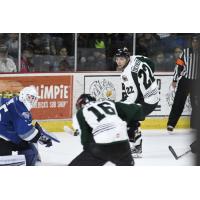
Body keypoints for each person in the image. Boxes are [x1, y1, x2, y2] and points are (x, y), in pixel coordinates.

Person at [68, 94, 145, 166]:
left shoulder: (81, 113)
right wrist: (133, 124)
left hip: (101, 145)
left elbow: (85, 139)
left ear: (81, 104)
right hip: (123, 142)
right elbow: (136, 109)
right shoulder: (109, 103)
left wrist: (88, 153)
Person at [114, 47, 159, 157]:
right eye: (117, 59)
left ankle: (136, 148)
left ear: (127, 58)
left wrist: (119, 105)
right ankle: (133, 145)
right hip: (152, 94)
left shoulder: (126, 74)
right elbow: (151, 63)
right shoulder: (136, 57)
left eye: (122, 59)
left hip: (148, 101)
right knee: (130, 116)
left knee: (129, 116)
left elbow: (132, 97)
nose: (118, 62)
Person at [0, 86, 52, 166]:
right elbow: (25, 134)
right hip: (3, 139)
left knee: (28, 148)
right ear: (23, 95)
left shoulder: (15, 101)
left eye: (33, 98)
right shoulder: (21, 110)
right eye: (30, 97)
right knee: (29, 152)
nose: (32, 100)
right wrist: (41, 138)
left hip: (6, 136)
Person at [167, 35, 199, 133]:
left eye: (197, 41)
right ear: (192, 42)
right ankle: (171, 124)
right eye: (194, 41)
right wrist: (174, 80)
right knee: (178, 103)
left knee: (197, 104)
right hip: (185, 81)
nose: (195, 43)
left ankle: (194, 125)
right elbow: (178, 66)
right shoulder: (185, 52)